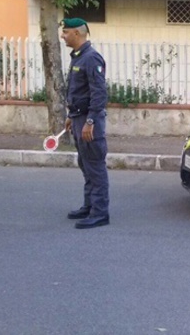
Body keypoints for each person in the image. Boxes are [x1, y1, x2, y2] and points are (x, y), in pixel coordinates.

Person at [61, 18, 110, 229]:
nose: (63, 36)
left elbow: (99, 93)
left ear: (78, 34)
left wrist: (90, 121)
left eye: (66, 32)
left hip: (90, 121)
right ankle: (89, 205)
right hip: (79, 118)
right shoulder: (78, 57)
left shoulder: (91, 58)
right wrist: (71, 116)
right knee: (85, 164)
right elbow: (78, 91)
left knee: (95, 166)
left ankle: (100, 213)